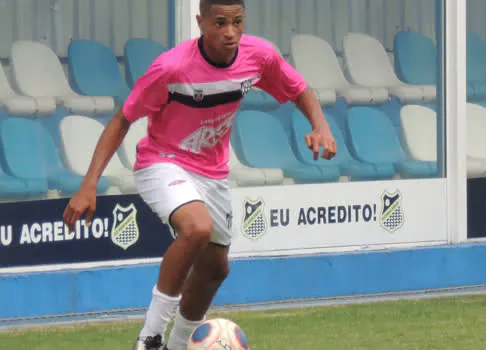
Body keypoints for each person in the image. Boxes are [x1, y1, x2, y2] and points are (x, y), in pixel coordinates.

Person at [62, 0, 337, 348]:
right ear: (200, 22)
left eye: (237, 22)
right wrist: (89, 184)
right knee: (197, 228)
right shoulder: (171, 68)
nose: (230, 33)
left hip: (212, 173)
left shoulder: (259, 56)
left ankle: (180, 344)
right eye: (220, 23)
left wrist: (320, 125)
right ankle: (149, 337)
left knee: (215, 269)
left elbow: (298, 89)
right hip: (161, 162)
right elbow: (122, 119)